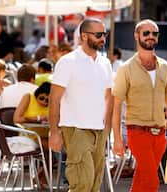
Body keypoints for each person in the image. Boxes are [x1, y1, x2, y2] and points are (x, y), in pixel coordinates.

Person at [112, 19, 167, 192]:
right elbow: (116, 104)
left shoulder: (164, 66)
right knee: (151, 181)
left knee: (142, 180)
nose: (151, 37)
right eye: (146, 33)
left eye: (154, 33)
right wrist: (117, 138)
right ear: (136, 36)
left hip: (160, 134)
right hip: (137, 132)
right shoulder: (126, 69)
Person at [49, 18, 113, 192]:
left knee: (94, 185)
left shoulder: (105, 63)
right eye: (98, 35)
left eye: (104, 34)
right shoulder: (68, 61)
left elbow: (109, 97)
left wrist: (107, 128)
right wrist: (54, 132)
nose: (103, 39)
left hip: (99, 132)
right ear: (84, 36)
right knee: (81, 184)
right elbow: (54, 99)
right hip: (75, 129)